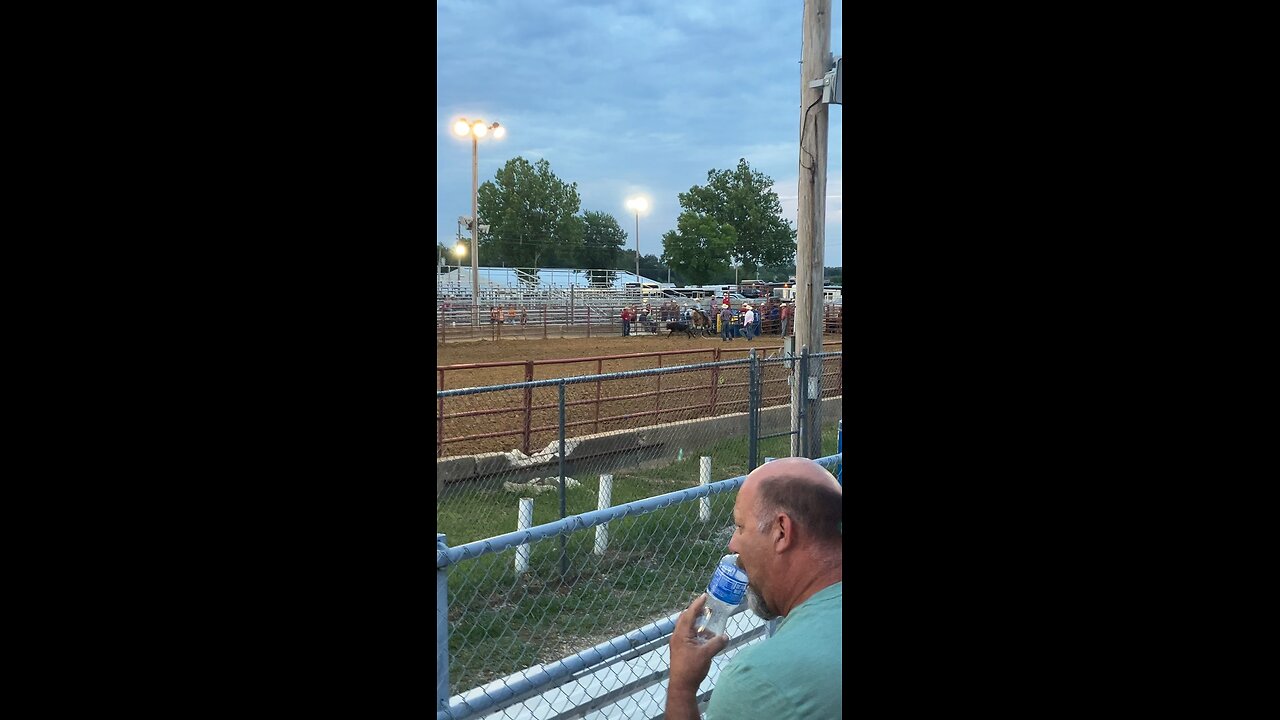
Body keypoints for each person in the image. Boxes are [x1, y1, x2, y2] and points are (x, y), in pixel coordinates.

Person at [665, 457, 842, 720]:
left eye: (740, 527)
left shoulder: (761, 681)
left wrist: (681, 686)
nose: (732, 545)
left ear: (781, 531)